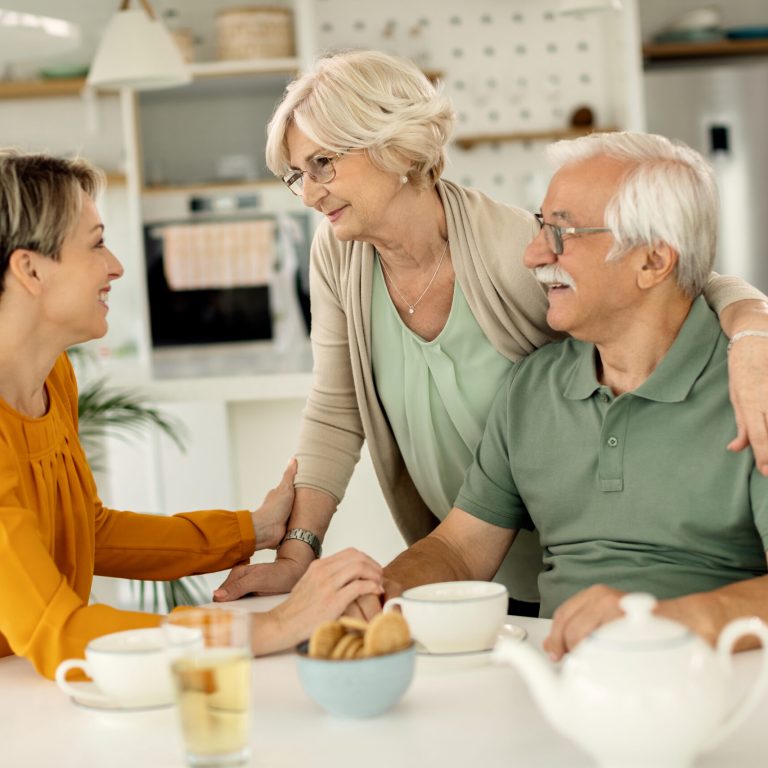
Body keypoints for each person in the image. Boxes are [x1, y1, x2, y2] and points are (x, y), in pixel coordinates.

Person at [214, 49, 768, 615]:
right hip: (469, 561)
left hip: (555, 565)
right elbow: (339, 408)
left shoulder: (510, 249)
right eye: (297, 176)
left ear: (393, 147)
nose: (309, 193)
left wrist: (754, 334)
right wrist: (305, 557)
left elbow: (677, 284)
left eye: (323, 164)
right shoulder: (342, 255)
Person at [375, 131, 768, 657]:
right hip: (557, 676)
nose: (533, 254)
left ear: (653, 261)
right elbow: (461, 550)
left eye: (562, 232)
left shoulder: (754, 385)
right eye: (541, 227)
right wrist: (379, 592)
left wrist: (656, 623)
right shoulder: (533, 385)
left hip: (711, 680)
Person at [0, 149, 384, 680]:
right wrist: (273, 625)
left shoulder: (52, 379)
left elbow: (91, 532)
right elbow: (58, 630)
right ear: (30, 269)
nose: (116, 266)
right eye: (96, 243)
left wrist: (252, 530)